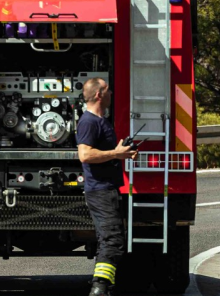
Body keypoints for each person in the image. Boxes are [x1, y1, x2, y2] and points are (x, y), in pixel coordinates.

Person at [76, 78, 137, 296]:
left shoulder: (101, 120)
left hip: (107, 189)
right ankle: (99, 288)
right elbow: (85, 154)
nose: (112, 93)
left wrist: (121, 150)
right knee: (111, 240)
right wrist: (116, 154)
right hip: (99, 191)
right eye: (108, 90)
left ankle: (104, 286)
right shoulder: (89, 122)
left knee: (113, 239)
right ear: (100, 94)